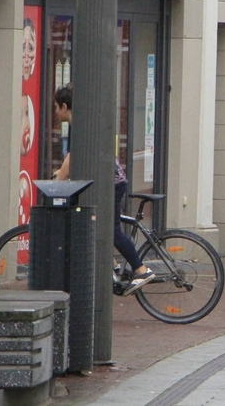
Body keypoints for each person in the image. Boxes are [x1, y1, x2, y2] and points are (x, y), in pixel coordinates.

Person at [52, 83, 154, 295]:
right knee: (95, 225)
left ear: (64, 106)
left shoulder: (77, 123)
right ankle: (113, 266)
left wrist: (58, 182)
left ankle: (141, 270)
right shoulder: (81, 122)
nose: (55, 112)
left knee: (111, 231)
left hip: (111, 185)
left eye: (56, 107)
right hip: (108, 183)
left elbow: (71, 157)